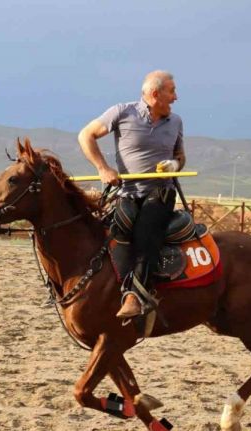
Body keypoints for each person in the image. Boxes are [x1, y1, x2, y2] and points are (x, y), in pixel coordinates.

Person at [77, 70, 185, 320]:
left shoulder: (176, 122)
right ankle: (115, 286)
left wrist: (175, 165)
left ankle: (135, 295)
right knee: (119, 230)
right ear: (155, 94)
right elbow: (86, 135)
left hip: (160, 191)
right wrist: (103, 168)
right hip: (127, 190)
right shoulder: (122, 112)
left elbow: (180, 156)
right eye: (172, 91)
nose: (176, 97)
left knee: (147, 232)